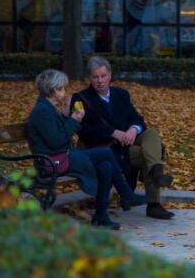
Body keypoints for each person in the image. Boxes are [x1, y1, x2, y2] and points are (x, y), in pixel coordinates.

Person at [27, 69, 148, 229]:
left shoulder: (48, 108)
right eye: (62, 88)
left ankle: (101, 215)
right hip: (51, 162)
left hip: (61, 157)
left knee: (106, 166)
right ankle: (126, 194)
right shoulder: (42, 111)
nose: (64, 92)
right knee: (105, 152)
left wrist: (65, 116)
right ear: (53, 90)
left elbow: (59, 135)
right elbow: (57, 142)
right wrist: (73, 120)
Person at [71, 56, 175, 220]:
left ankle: (157, 172)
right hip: (108, 148)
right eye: (95, 77)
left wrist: (133, 130)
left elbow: (137, 118)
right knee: (148, 154)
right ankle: (154, 203)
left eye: (103, 76)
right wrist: (113, 132)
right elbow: (84, 132)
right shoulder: (80, 99)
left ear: (110, 75)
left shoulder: (121, 94)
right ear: (89, 78)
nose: (100, 81)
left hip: (129, 141)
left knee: (152, 134)